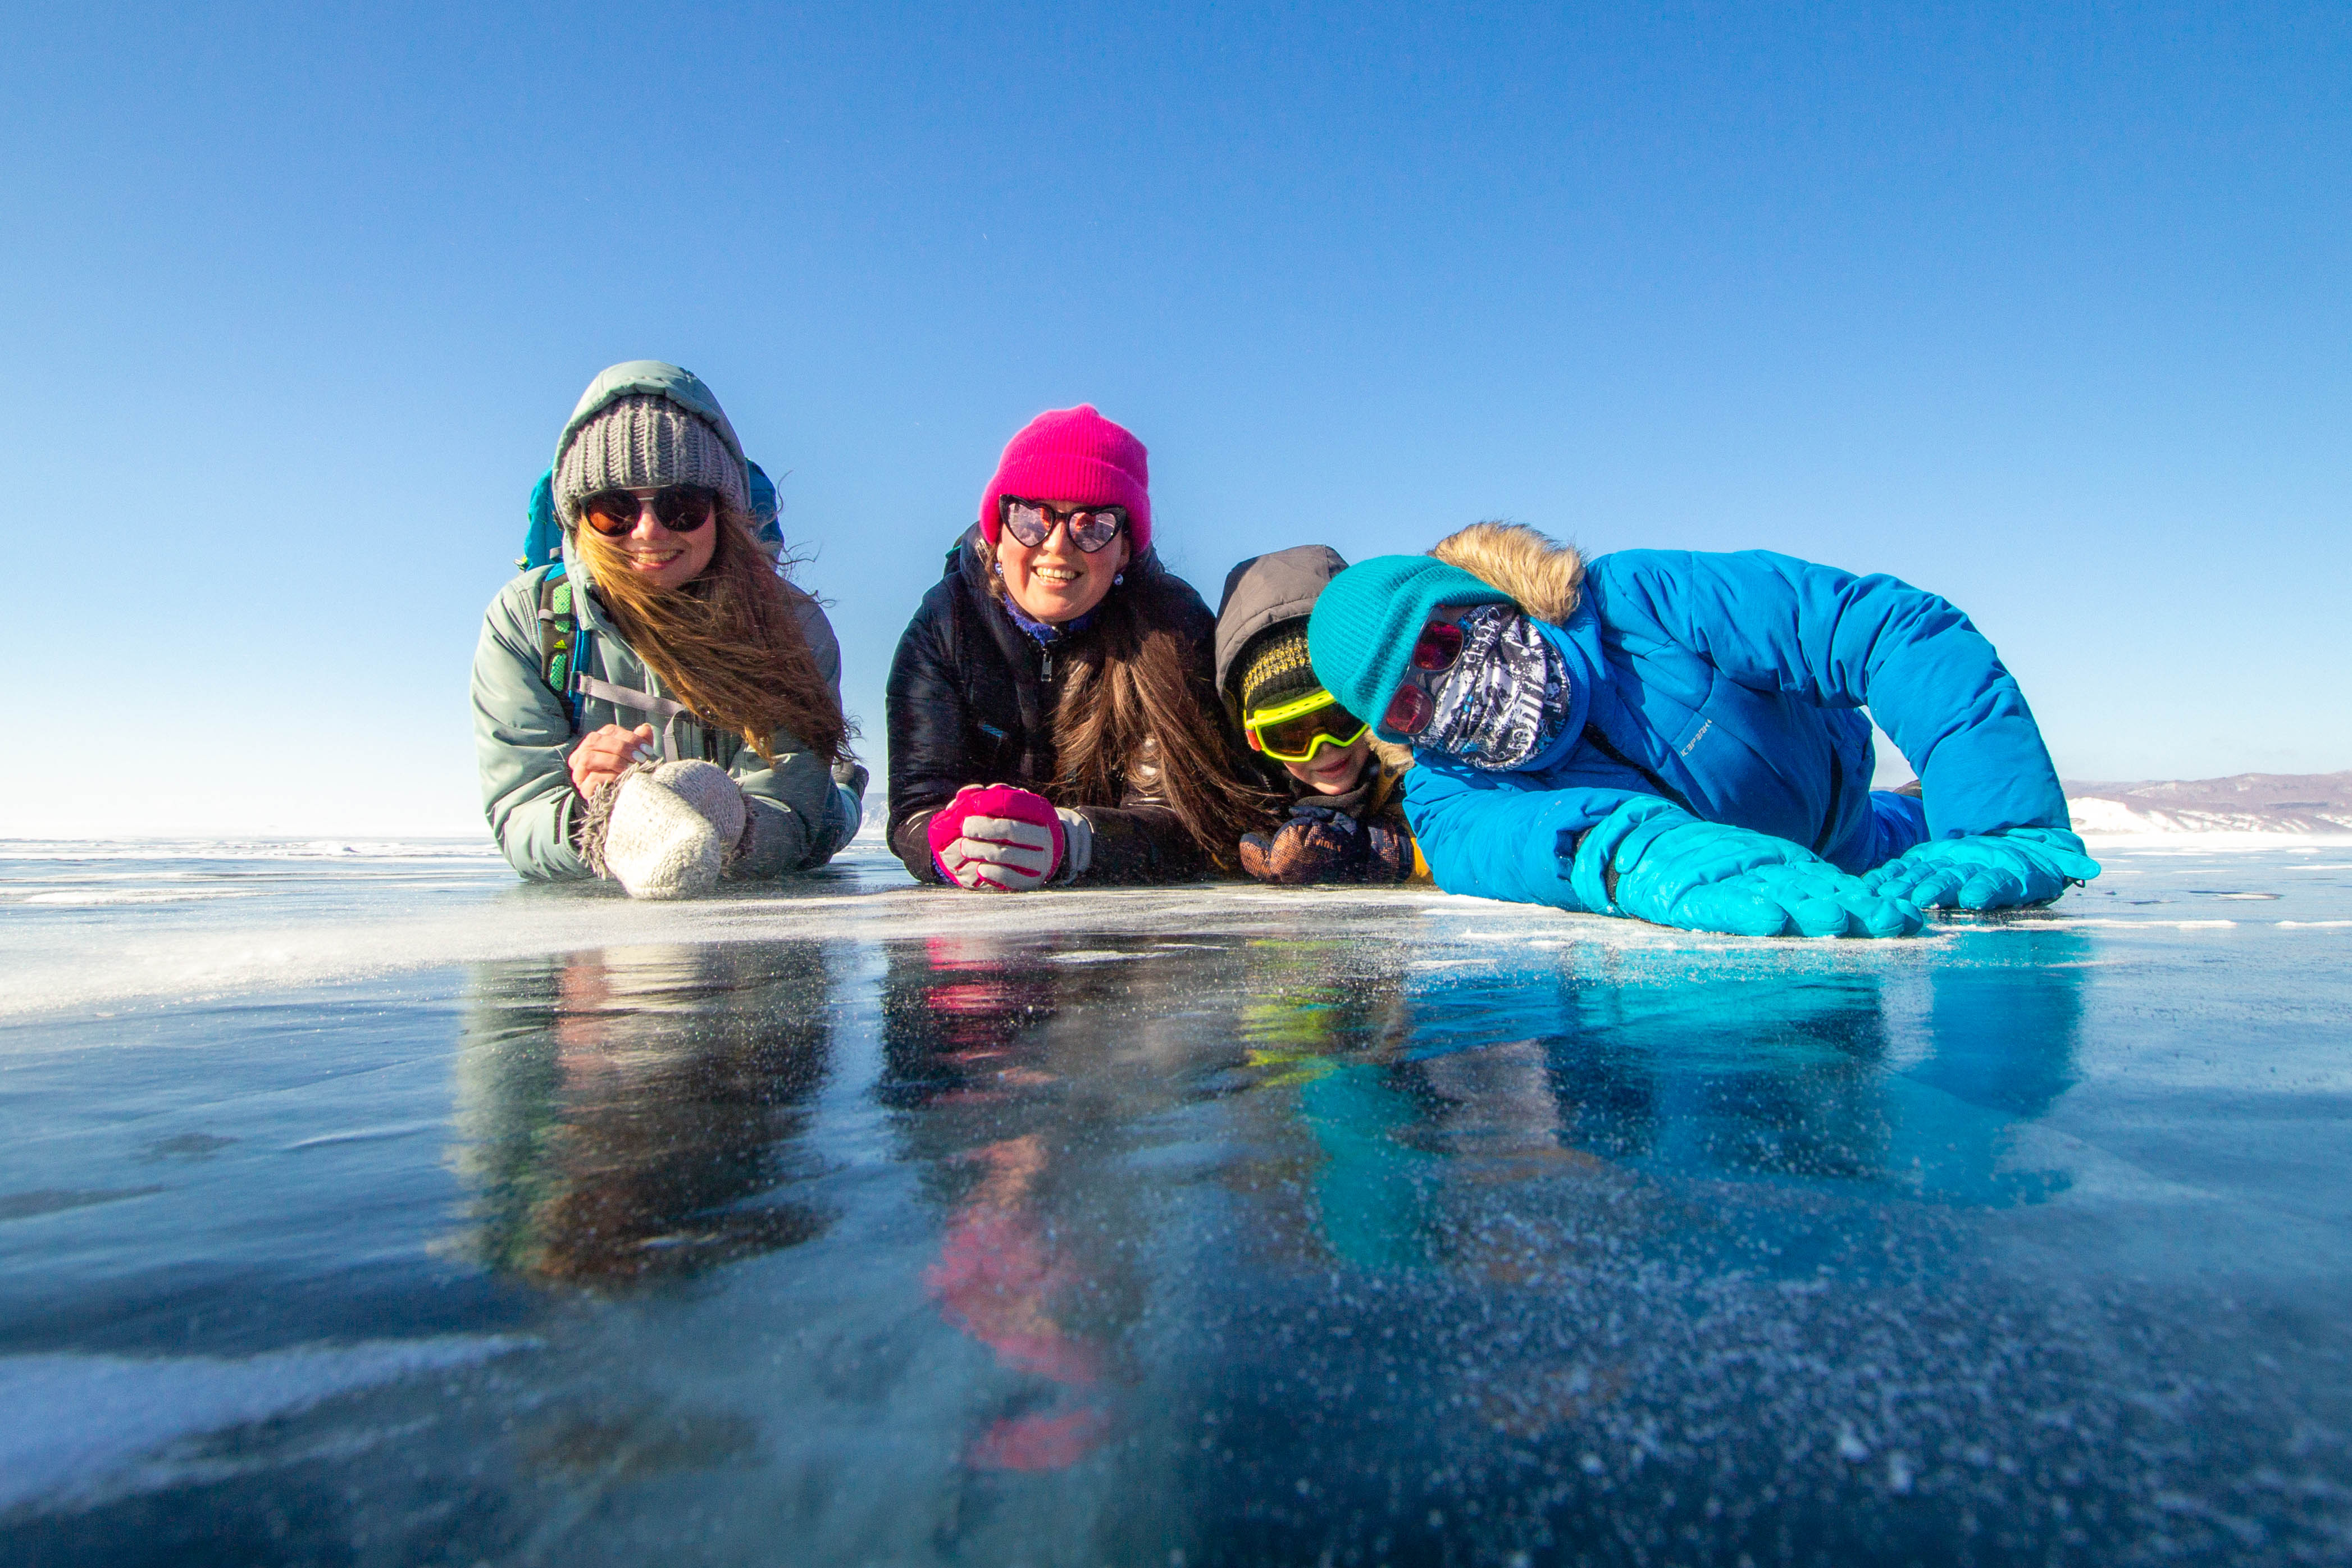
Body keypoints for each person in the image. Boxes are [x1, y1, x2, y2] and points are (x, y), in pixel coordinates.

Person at [1305, 522, 2100, 937]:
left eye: (1439, 647)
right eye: (1407, 706)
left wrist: (2003, 827)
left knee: (1921, 834)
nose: (1442, 692)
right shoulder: (1449, 792)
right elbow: (1524, 842)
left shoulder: (1639, 601)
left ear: (1478, 602)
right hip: (1750, 900)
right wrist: (1640, 853)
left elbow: (1883, 631)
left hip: (1853, 830)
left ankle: (1939, 806)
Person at [472, 361, 863, 898]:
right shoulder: (529, 620)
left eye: (683, 505)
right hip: (613, 842)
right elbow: (523, 808)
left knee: (832, 810)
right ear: (578, 517)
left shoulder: (793, 626)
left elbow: (793, 813)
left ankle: (845, 787)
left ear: (722, 511)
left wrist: (730, 818)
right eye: (614, 509)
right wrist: (595, 812)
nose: (649, 531)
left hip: (791, 813)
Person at [885, 405, 1275, 890]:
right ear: (998, 529)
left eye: (1092, 526)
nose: (1058, 545)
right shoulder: (945, 624)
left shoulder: (1170, 630)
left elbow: (1185, 820)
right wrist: (947, 842)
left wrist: (1075, 843)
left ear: (1125, 549)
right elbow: (918, 804)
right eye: (1031, 518)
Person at [1213, 546, 1424, 883]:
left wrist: (1385, 853)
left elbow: (1468, 831)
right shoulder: (1244, 795)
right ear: (1254, 740)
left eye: (1342, 718)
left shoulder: (1420, 766)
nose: (1324, 748)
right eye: (1291, 736)